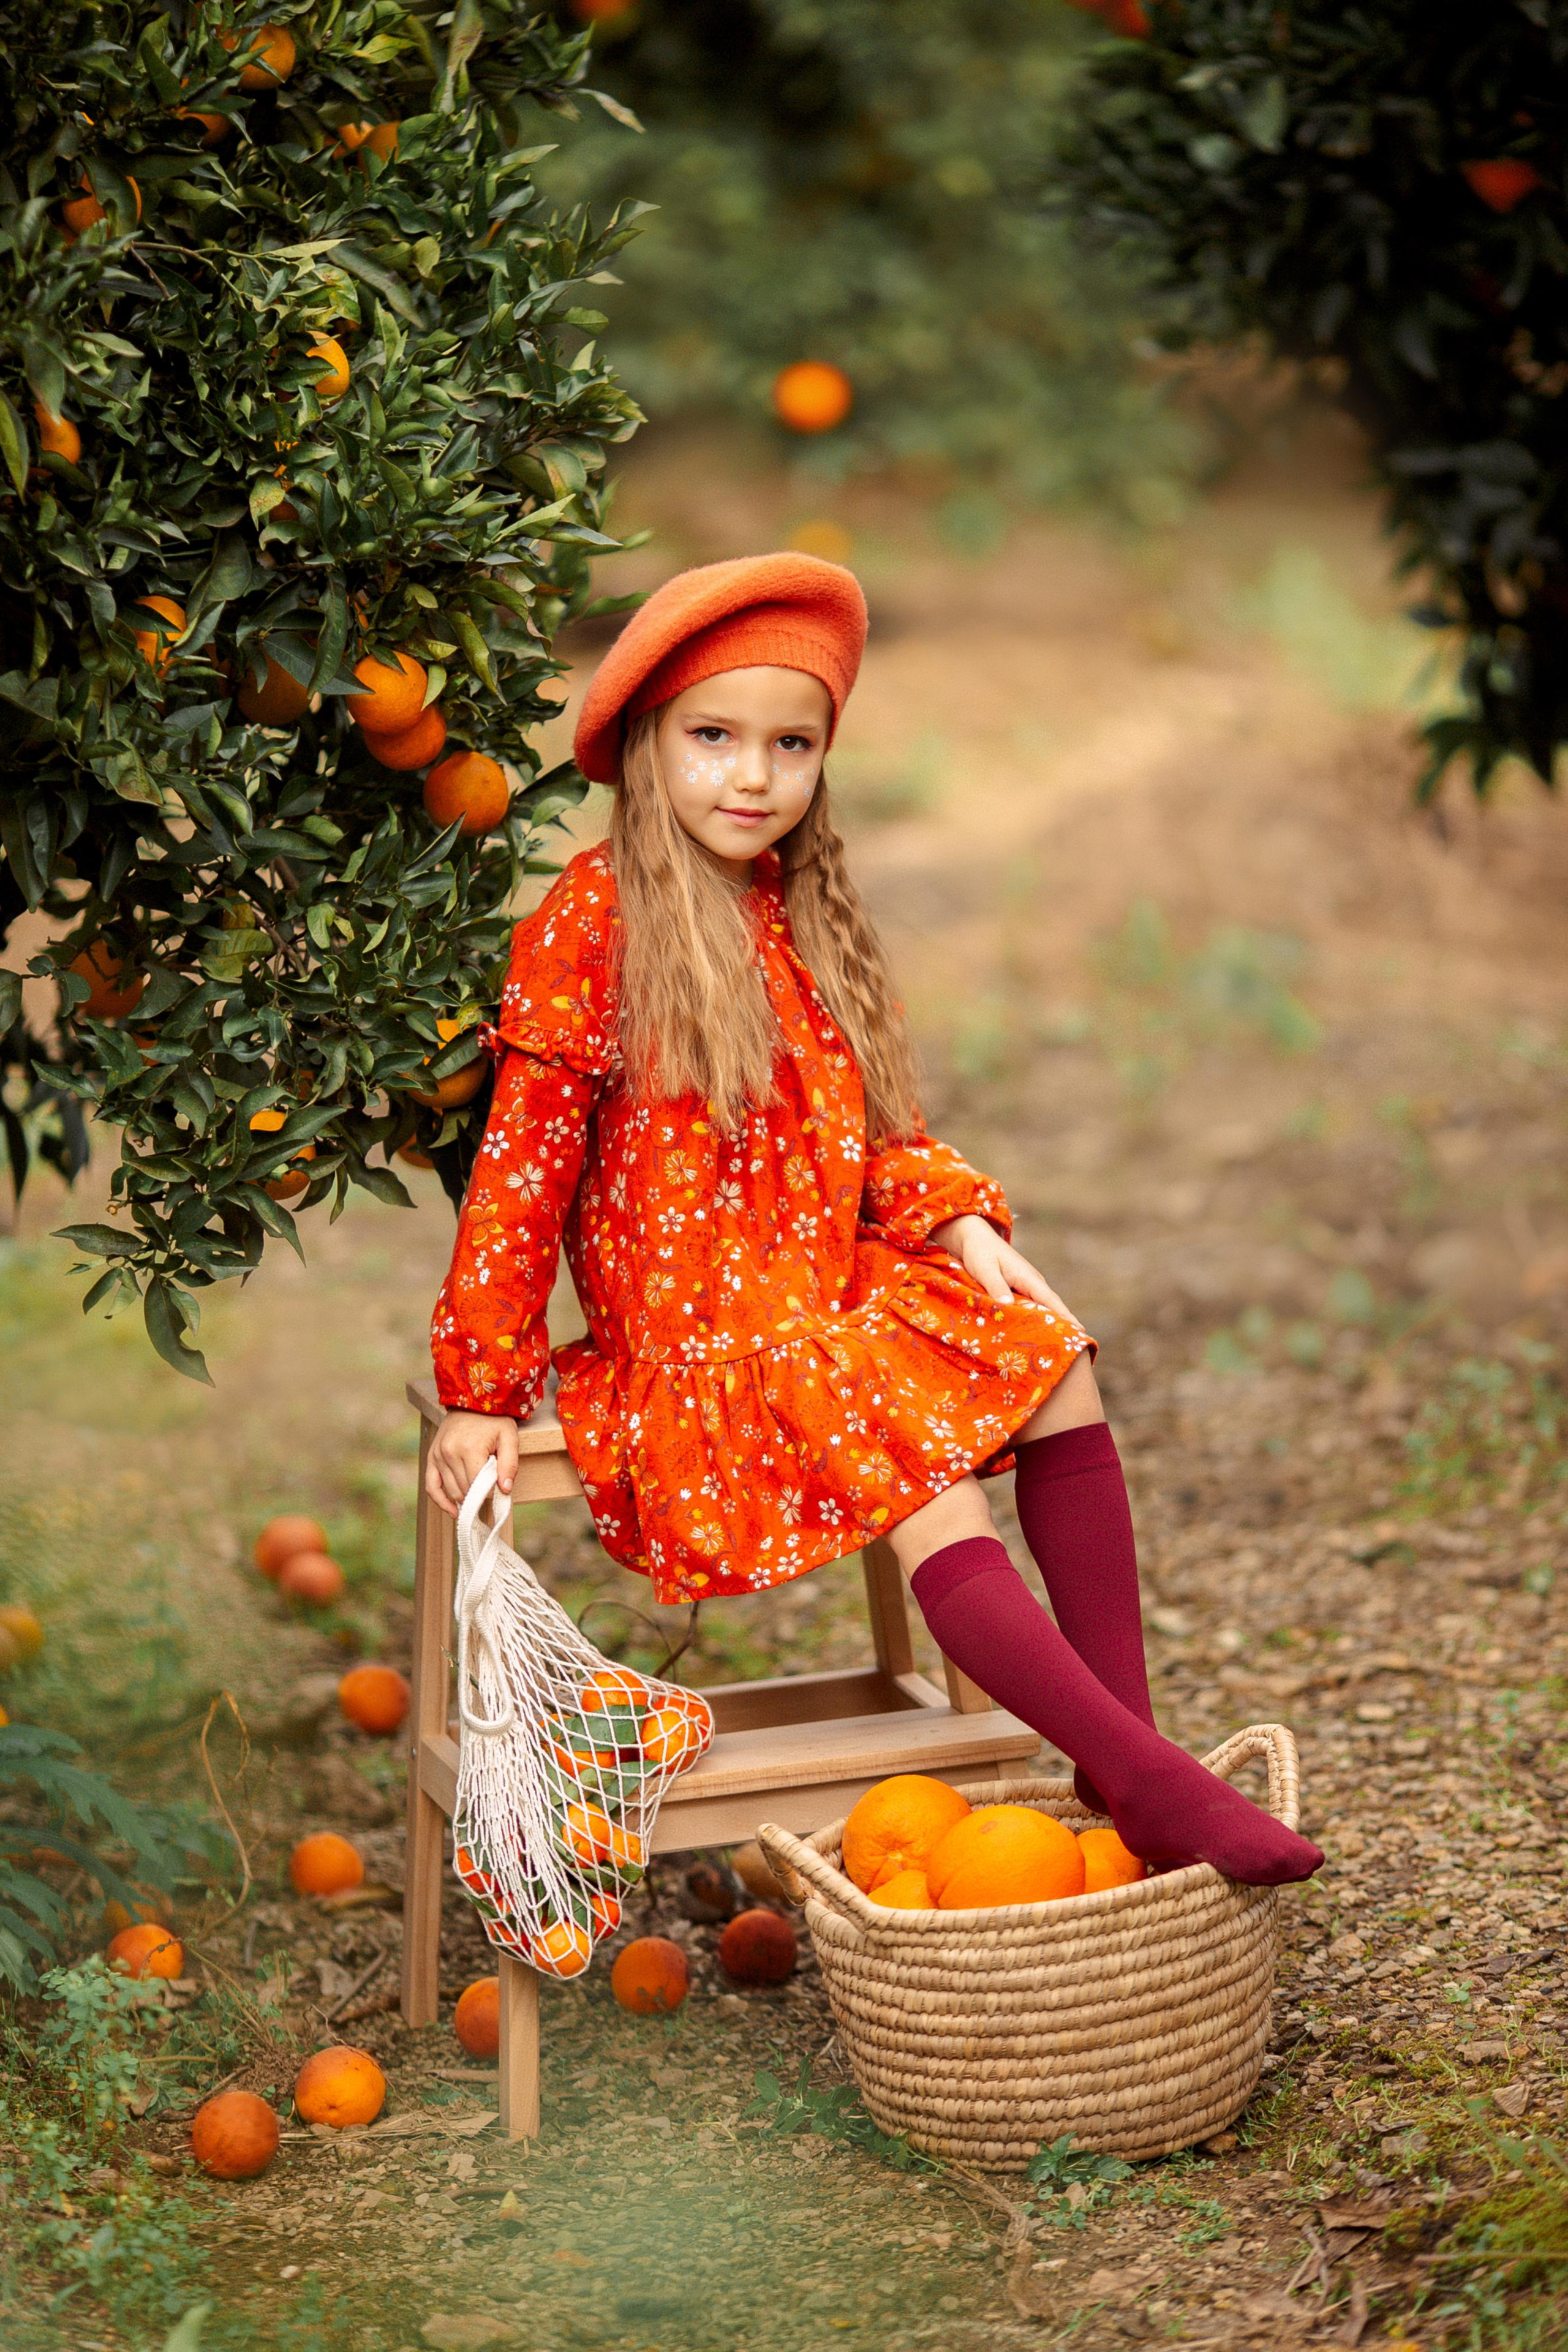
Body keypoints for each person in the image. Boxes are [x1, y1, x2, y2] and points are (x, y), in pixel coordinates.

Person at [426, 554, 1321, 1887]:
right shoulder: (592, 922)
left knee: (1052, 1361)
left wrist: (955, 1221)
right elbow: (519, 1173)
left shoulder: (806, 921)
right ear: (645, 748)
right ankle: (1144, 1778)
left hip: (818, 1287)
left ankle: (1118, 1749)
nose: (751, 776)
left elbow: (863, 1141)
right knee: (924, 1472)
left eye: (789, 744)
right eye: (713, 738)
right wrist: (482, 1387)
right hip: (702, 1343)